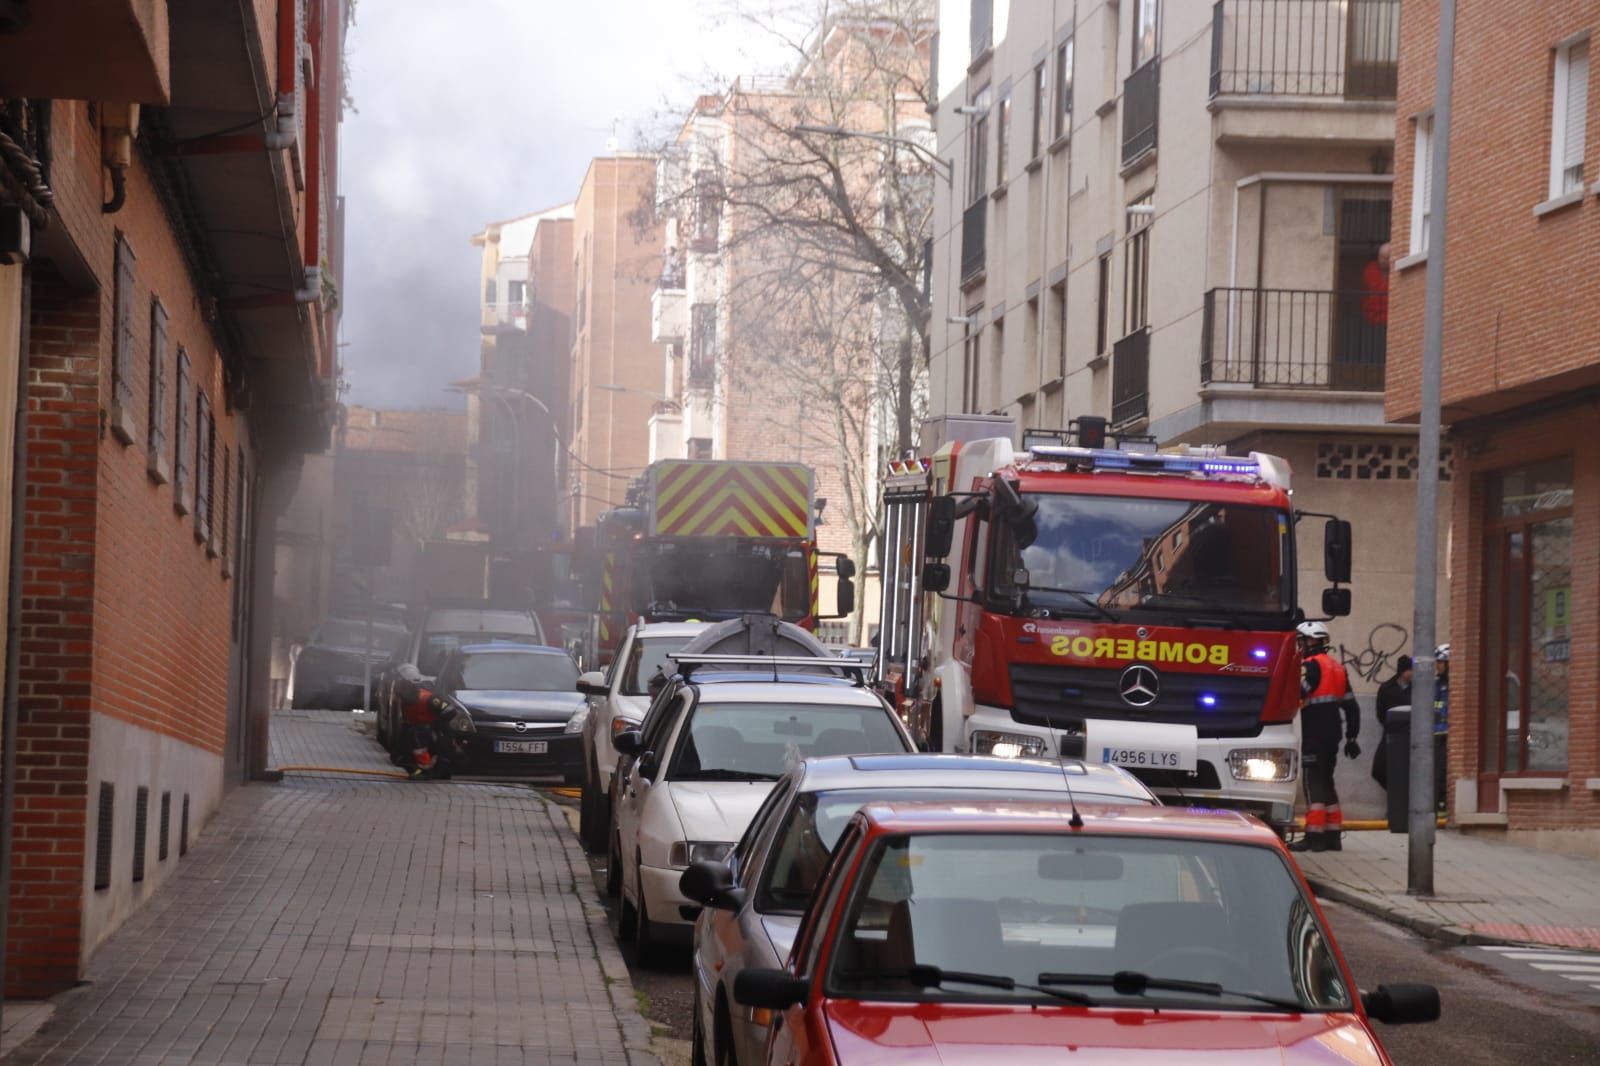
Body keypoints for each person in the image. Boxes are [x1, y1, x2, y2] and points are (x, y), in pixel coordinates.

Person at [1292, 621, 1361, 852]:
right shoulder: (1337, 668)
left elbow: (1298, 692)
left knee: (1313, 784)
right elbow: (1352, 707)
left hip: (1313, 733)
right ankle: (1333, 836)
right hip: (1333, 734)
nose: (1299, 646)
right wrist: (1352, 737)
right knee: (1326, 781)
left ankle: (1314, 837)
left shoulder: (1310, 666)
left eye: (1301, 641)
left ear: (1311, 640)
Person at [1370, 654, 1413, 790]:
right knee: (1378, 770)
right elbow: (1380, 712)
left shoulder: (1417, 689)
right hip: (1391, 734)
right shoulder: (1387, 688)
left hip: (1410, 736)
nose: (1413, 673)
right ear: (1403, 671)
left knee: (1406, 771)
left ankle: (1402, 796)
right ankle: (1395, 792)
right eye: (1411, 670)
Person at [1433, 644, 1450, 810]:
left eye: (1440, 662)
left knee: (1444, 772)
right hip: (1436, 734)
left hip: (1449, 736)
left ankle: (1443, 805)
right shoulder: (1437, 685)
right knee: (1437, 772)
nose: (1437, 666)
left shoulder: (1455, 686)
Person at [1361, 242, 1391, 327]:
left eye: (1386, 258)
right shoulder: (1370, 268)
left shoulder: (1396, 270)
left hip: (1390, 319)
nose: (1383, 261)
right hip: (1371, 317)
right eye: (1381, 257)